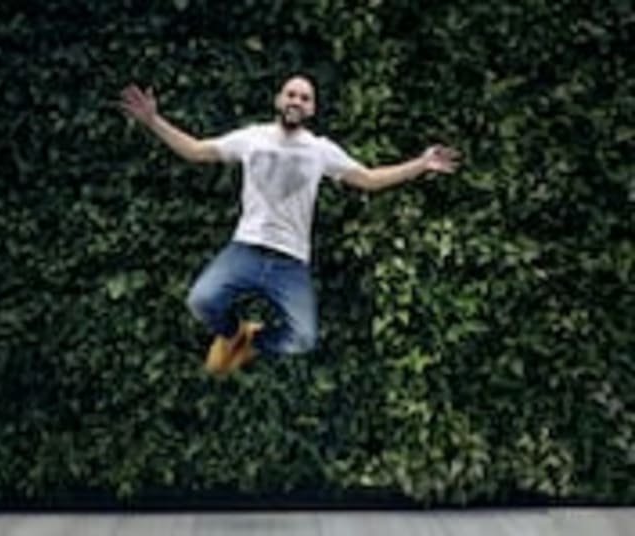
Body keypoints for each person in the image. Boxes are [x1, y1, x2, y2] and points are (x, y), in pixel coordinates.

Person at [118, 75, 459, 375]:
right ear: (278, 100)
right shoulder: (252, 138)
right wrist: (153, 120)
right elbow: (195, 150)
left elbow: (369, 179)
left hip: (290, 262)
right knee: (201, 301)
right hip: (246, 249)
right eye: (291, 94)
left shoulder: (320, 151)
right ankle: (233, 333)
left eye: (305, 97)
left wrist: (421, 164)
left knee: (303, 339)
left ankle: (249, 341)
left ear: (312, 109)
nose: (296, 100)